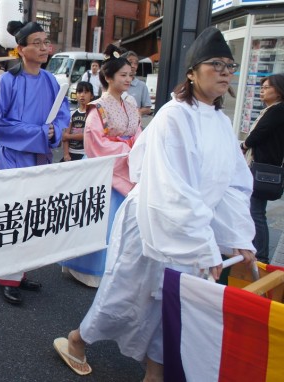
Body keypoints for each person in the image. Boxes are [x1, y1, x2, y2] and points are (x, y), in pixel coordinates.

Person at [53, 27, 256, 380]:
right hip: (152, 221)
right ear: (191, 73)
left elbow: (233, 186)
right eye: (215, 64)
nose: (224, 71)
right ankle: (78, 339)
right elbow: (171, 186)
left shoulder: (222, 124)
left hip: (188, 230)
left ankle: (155, 373)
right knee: (125, 296)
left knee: (173, 304)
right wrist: (206, 245)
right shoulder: (174, 116)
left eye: (229, 65)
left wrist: (239, 236)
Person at [0, 20, 70, 305]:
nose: (44, 47)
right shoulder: (7, 81)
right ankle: (6, 276)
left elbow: (62, 115)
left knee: (33, 215)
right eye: (37, 42)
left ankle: (19, 272)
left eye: (46, 42)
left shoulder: (51, 81)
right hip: (12, 158)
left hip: (39, 158)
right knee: (12, 215)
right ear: (20, 49)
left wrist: (55, 131)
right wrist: (37, 133)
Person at [60, 45, 141, 288]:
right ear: (108, 77)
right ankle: (89, 270)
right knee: (100, 221)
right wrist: (127, 150)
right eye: (123, 75)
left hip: (127, 163)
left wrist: (137, 149)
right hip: (106, 169)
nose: (128, 79)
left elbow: (137, 131)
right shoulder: (99, 107)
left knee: (123, 223)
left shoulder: (131, 104)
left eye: (130, 75)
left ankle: (120, 269)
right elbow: (94, 141)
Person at [241, 73, 284, 264]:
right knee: (256, 209)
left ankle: (261, 255)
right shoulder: (275, 110)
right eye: (262, 87)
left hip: (264, 167)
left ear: (279, 90)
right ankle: (258, 250)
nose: (262, 91)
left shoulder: (277, 111)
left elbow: (259, 134)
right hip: (267, 166)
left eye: (267, 87)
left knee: (256, 211)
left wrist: (244, 145)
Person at [61, 81, 93, 162]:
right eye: (79, 92)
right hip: (71, 153)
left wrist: (69, 136)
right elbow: (65, 137)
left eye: (86, 92)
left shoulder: (93, 114)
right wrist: (66, 154)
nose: (82, 95)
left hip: (85, 154)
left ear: (92, 95)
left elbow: (88, 135)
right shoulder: (72, 114)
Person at [122, 50, 152, 117]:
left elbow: (148, 108)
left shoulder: (142, 85)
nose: (133, 66)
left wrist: (135, 112)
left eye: (136, 63)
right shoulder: (116, 82)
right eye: (130, 62)